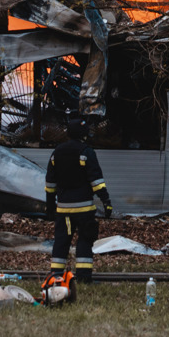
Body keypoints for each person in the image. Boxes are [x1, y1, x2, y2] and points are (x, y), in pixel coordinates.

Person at [45, 117, 111, 283]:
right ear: (84, 134)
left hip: (63, 210)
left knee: (61, 242)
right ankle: (83, 278)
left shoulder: (57, 152)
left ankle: (55, 277)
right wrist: (106, 202)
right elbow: (96, 181)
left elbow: (50, 183)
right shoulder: (86, 152)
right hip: (84, 210)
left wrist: (50, 205)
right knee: (84, 241)